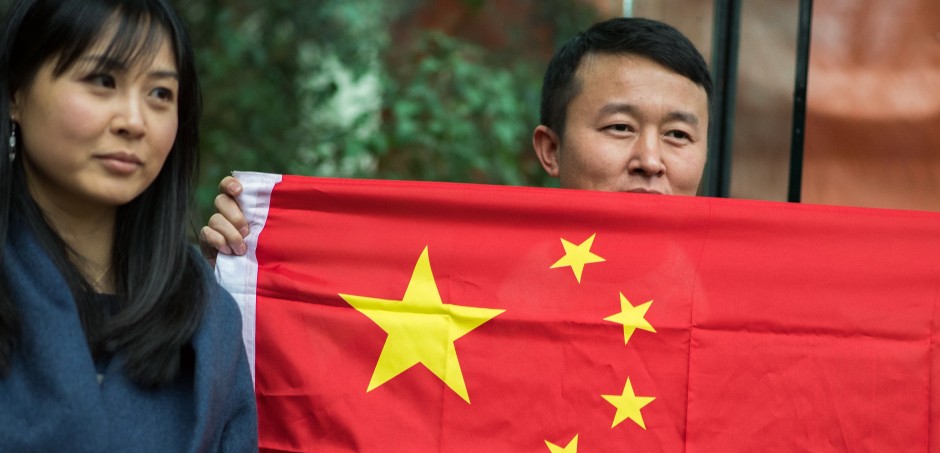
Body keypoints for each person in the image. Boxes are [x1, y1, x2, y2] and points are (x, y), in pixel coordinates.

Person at [0, 0, 371, 453]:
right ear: (16, 94)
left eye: (160, 94)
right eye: (101, 81)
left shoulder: (202, 316)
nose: (133, 120)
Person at [200, 16, 713, 258]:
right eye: (620, 128)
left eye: (677, 135)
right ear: (551, 149)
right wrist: (245, 266)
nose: (651, 159)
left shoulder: (739, 300)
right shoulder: (482, 275)